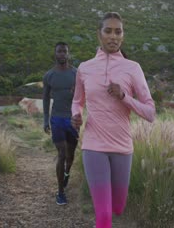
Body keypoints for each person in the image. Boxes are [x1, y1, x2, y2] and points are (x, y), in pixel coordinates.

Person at [71, 12, 155, 227]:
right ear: (99, 34)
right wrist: (76, 115)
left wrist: (124, 97)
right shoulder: (84, 68)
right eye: (108, 31)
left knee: (118, 207)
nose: (113, 36)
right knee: (105, 215)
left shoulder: (132, 68)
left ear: (123, 36)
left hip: (122, 146)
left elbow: (150, 113)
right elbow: (77, 101)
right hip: (93, 145)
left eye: (118, 31)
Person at [43, 42, 78, 206]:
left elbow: (83, 95)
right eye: (59, 51)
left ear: (68, 53)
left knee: (70, 156)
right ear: (55, 53)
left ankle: (66, 173)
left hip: (72, 119)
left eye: (65, 51)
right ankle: (60, 192)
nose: (62, 54)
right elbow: (45, 98)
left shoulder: (77, 73)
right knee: (62, 154)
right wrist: (45, 119)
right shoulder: (49, 75)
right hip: (56, 119)